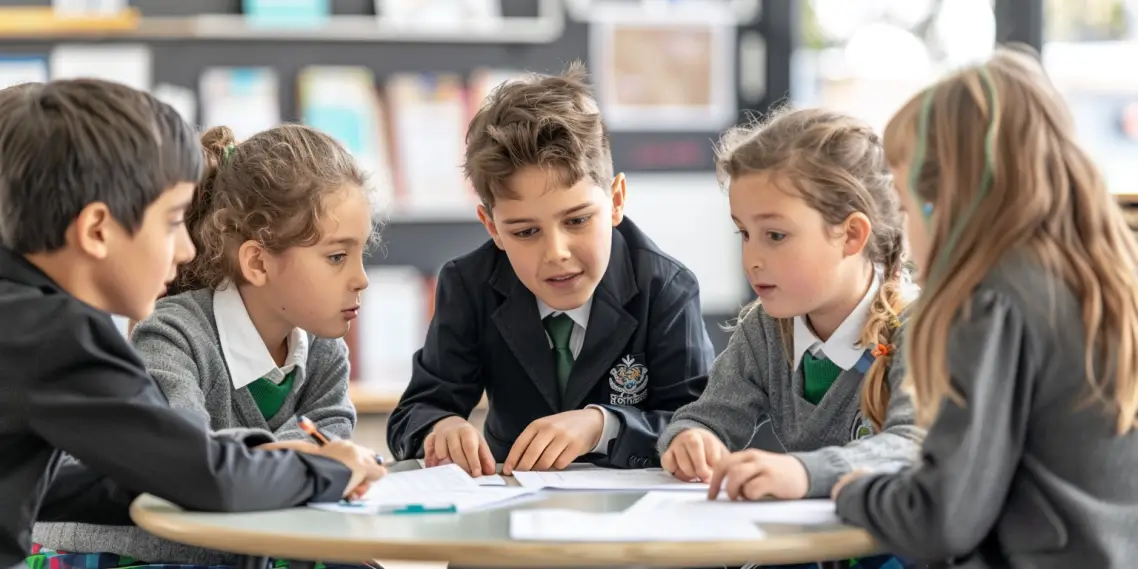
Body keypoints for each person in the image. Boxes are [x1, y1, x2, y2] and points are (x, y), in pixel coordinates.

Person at [0, 79, 384, 569]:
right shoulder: (55, 334)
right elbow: (203, 474)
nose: (186, 250)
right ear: (97, 229)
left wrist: (249, 466)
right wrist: (317, 468)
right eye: (172, 221)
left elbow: (65, 483)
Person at [832, 45, 1138, 567]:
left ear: (945, 200)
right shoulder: (1105, 280)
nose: (906, 230)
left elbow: (942, 519)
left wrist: (852, 491)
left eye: (906, 208)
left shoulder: (990, 301)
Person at [387, 62, 715, 476]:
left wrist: (602, 425)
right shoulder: (468, 285)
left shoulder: (666, 287)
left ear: (615, 201)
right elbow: (413, 413)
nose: (556, 252)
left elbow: (699, 425)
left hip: (632, 523)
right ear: (493, 228)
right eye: (525, 232)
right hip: (509, 513)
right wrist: (441, 425)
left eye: (577, 220)